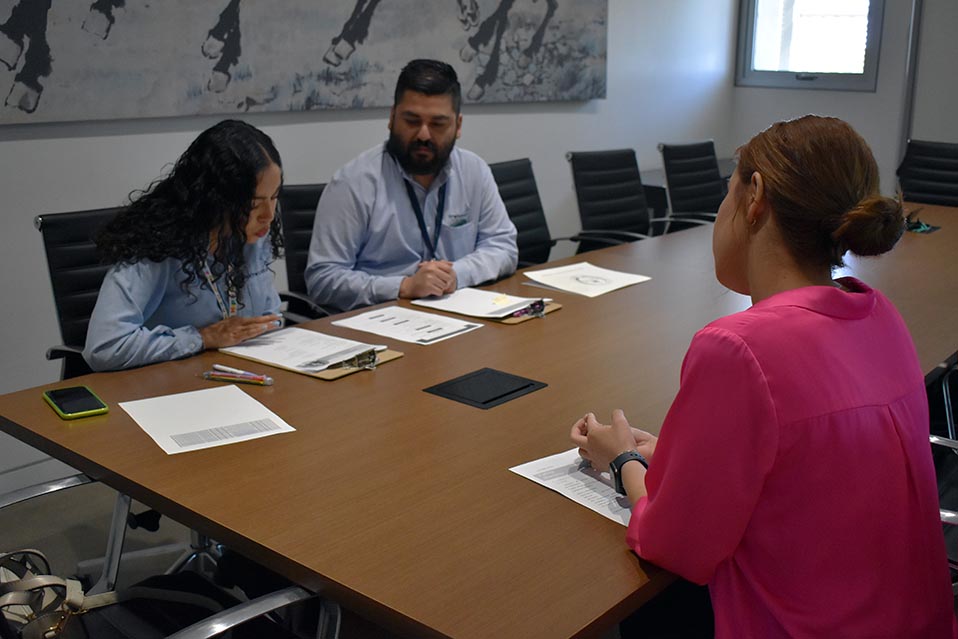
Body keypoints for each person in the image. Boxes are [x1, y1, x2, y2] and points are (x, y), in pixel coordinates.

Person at [571, 116, 957, 638]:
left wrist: (620, 459)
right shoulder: (876, 312)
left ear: (755, 197)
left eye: (724, 195)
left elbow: (673, 544)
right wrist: (677, 457)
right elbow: (809, 466)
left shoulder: (738, 348)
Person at [304, 58, 517, 313]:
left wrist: (454, 275)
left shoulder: (474, 171)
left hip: (459, 314)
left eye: (437, 124)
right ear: (392, 118)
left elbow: (503, 246)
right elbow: (323, 279)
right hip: (380, 323)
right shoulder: (354, 182)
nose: (424, 135)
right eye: (412, 121)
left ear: (458, 126)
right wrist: (402, 287)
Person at [83, 119, 283, 372]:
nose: (269, 215)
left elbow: (269, 316)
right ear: (217, 198)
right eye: (254, 203)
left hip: (233, 377)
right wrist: (202, 338)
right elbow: (104, 347)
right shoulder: (157, 247)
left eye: (274, 197)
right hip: (161, 388)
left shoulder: (251, 238)